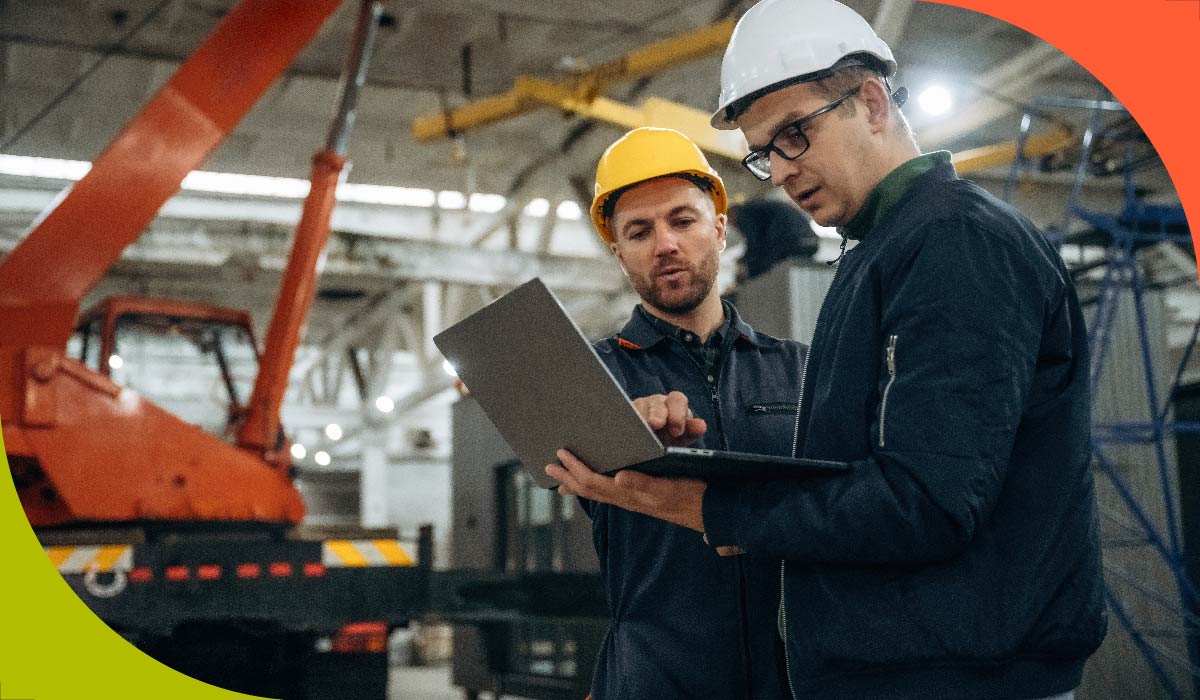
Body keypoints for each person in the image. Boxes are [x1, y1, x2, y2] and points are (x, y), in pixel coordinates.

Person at [547, 2, 1107, 699]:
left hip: (958, 678)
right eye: (763, 153)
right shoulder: (879, 255)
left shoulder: (958, 244)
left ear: (871, 102)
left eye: (793, 136)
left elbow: (924, 502)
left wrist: (710, 507)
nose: (779, 173)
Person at [577, 126, 805, 699]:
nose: (665, 244)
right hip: (655, 682)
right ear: (619, 252)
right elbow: (569, 471)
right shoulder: (592, 383)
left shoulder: (801, 369)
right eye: (639, 231)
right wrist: (620, 427)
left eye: (683, 221)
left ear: (720, 229)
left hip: (794, 680)